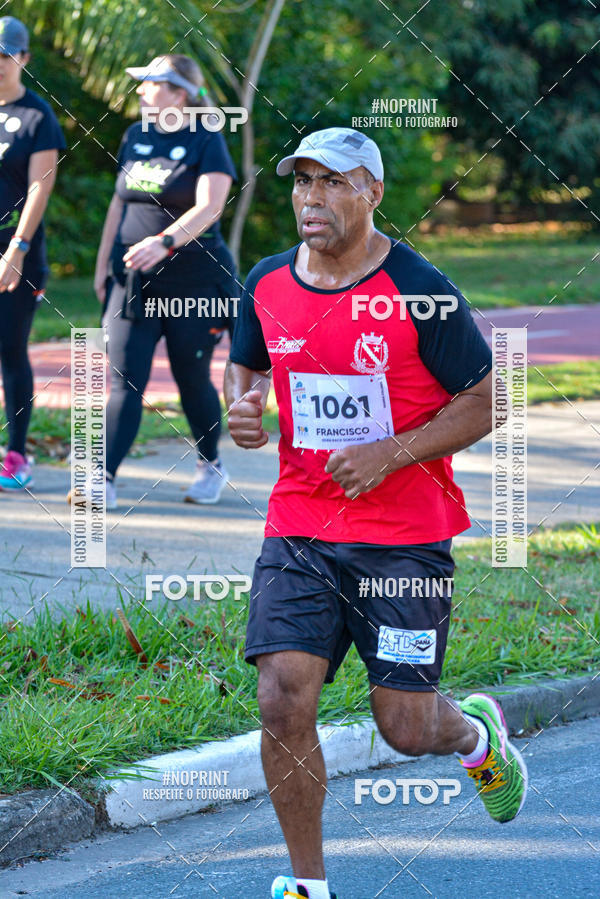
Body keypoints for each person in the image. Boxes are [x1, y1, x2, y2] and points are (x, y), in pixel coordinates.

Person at [225, 127, 527, 899]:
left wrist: (389, 453)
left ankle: (476, 735)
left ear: (373, 192)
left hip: (405, 538)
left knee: (407, 727)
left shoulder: (420, 289)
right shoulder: (266, 281)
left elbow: (489, 399)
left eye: (333, 182)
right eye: (303, 181)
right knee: (281, 696)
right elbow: (247, 362)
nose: (312, 197)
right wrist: (243, 405)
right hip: (301, 524)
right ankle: (307, 883)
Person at [93, 54, 238, 509]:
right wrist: (103, 265)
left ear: (179, 94)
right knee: (125, 379)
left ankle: (211, 463)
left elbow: (211, 206)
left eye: (151, 83)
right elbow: (119, 204)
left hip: (194, 283)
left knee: (190, 376)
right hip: (133, 281)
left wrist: (165, 242)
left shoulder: (206, 138)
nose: (140, 90)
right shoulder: (135, 136)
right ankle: (103, 478)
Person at [0, 16, 65, 491]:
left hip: (15, 251)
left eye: (7, 54)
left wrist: (17, 248)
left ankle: (16, 453)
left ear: (23, 58)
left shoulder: (38, 116)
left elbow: (40, 188)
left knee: (9, 349)